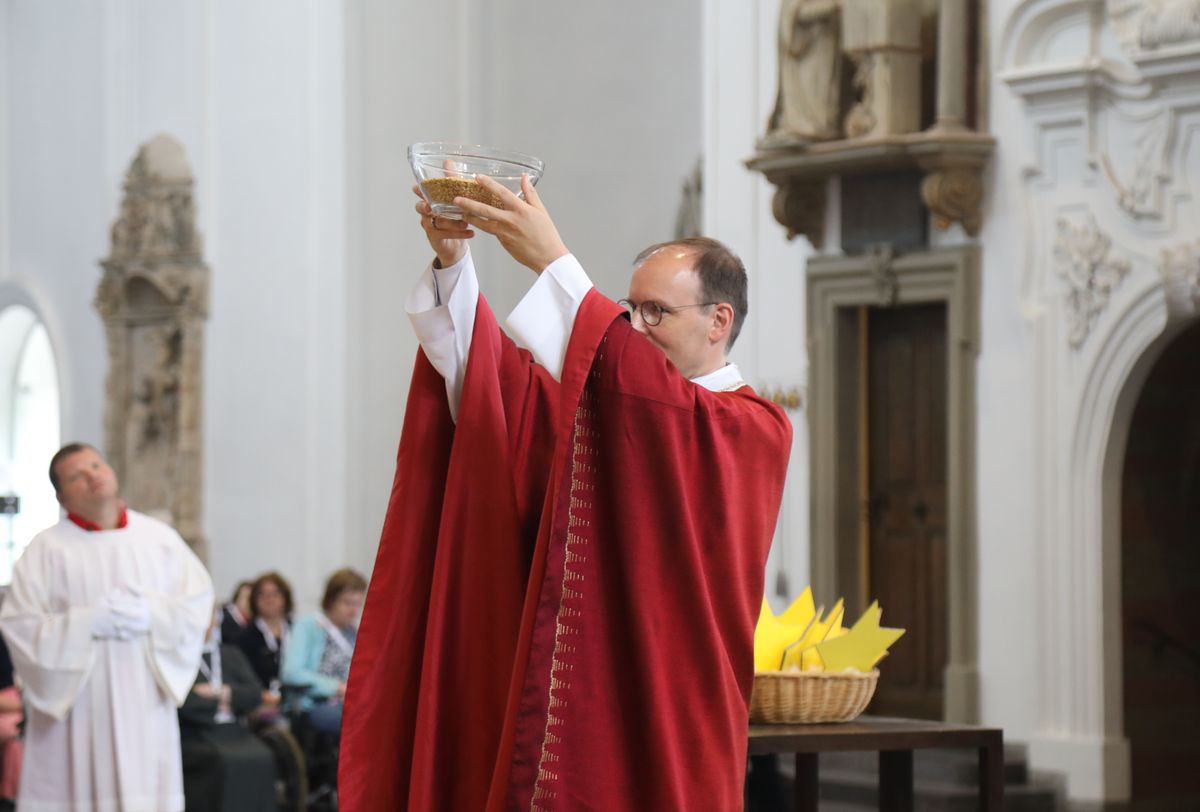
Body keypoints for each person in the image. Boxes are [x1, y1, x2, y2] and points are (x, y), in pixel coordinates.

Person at [340, 174, 792, 809]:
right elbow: (502, 398)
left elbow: (650, 399)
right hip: (582, 698)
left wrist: (555, 261)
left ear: (720, 320)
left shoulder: (748, 428)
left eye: (656, 311)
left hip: (670, 708)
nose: (636, 326)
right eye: (630, 309)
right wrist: (455, 265)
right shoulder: (612, 410)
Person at [0, 443, 213, 812]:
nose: (92, 476)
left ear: (111, 471)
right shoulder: (45, 550)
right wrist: (85, 623)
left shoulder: (160, 540)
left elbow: (197, 608)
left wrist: (152, 615)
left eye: (96, 466)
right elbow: (20, 625)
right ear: (62, 496)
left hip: (143, 698)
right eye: (77, 476)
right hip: (75, 706)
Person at [179, 608, 276, 812]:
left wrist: (222, 693)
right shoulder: (178, 656)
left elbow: (254, 693)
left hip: (234, 729)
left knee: (264, 756)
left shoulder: (230, 654)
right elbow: (182, 701)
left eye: (211, 615)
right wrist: (219, 703)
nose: (207, 622)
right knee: (224, 761)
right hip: (197, 732)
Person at [281, 567, 366, 735]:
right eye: (347, 603)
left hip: (349, 701)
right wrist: (336, 687)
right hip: (315, 703)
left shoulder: (354, 633)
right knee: (358, 721)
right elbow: (291, 673)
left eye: (357, 604)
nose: (353, 610)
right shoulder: (308, 626)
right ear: (331, 600)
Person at [233, 570, 292, 706]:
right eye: (262, 594)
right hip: (262, 700)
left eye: (275, 594)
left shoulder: (296, 630)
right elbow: (242, 678)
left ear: (285, 597)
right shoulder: (244, 637)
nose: (269, 599)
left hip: (296, 696)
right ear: (254, 599)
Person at [219, 580, 253, 646]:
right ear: (237, 598)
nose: (251, 603)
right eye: (248, 598)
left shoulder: (251, 623)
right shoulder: (222, 618)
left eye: (253, 600)